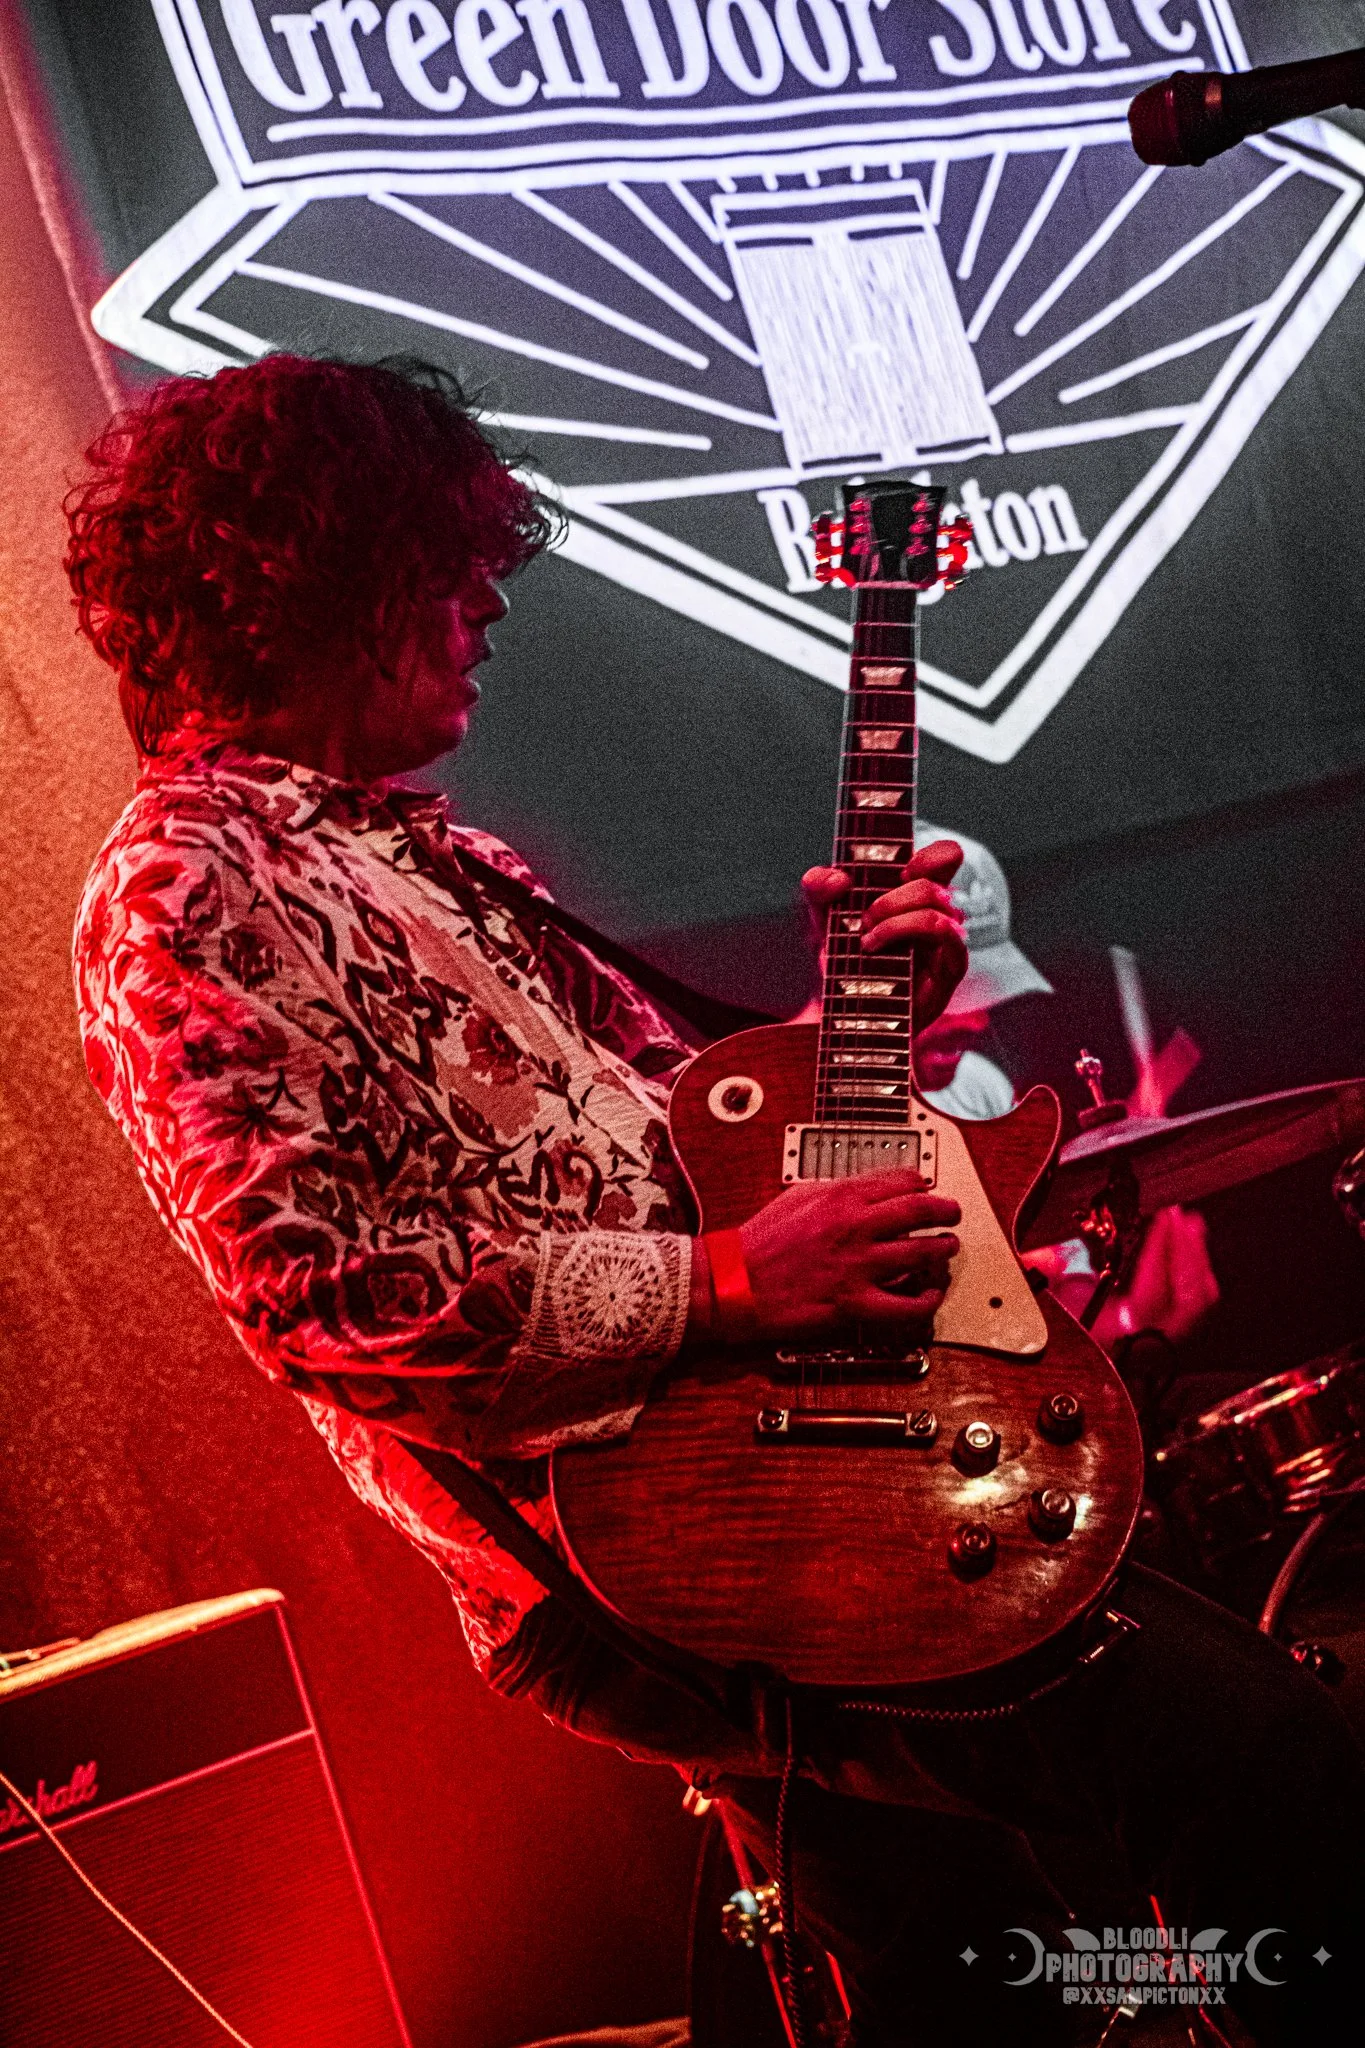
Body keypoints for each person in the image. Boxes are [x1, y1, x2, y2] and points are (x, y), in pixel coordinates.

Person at [68, 356, 1362, 2047]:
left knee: (959, 1971)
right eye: (444, 564)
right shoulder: (187, 884)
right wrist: (741, 1285)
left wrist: (847, 1017)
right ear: (307, 571)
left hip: (766, 1502)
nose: (483, 605)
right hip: (635, 1566)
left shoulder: (424, 857)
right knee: (1266, 1773)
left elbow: (702, 1155)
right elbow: (330, 1307)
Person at [901, 824, 1220, 1351]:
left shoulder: (980, 1091)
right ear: (835, 953)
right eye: (944, 982)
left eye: (984, 987)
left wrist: (1130, 1323)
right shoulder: (752, 1091)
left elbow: (1067, 1300)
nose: (977, 1021)